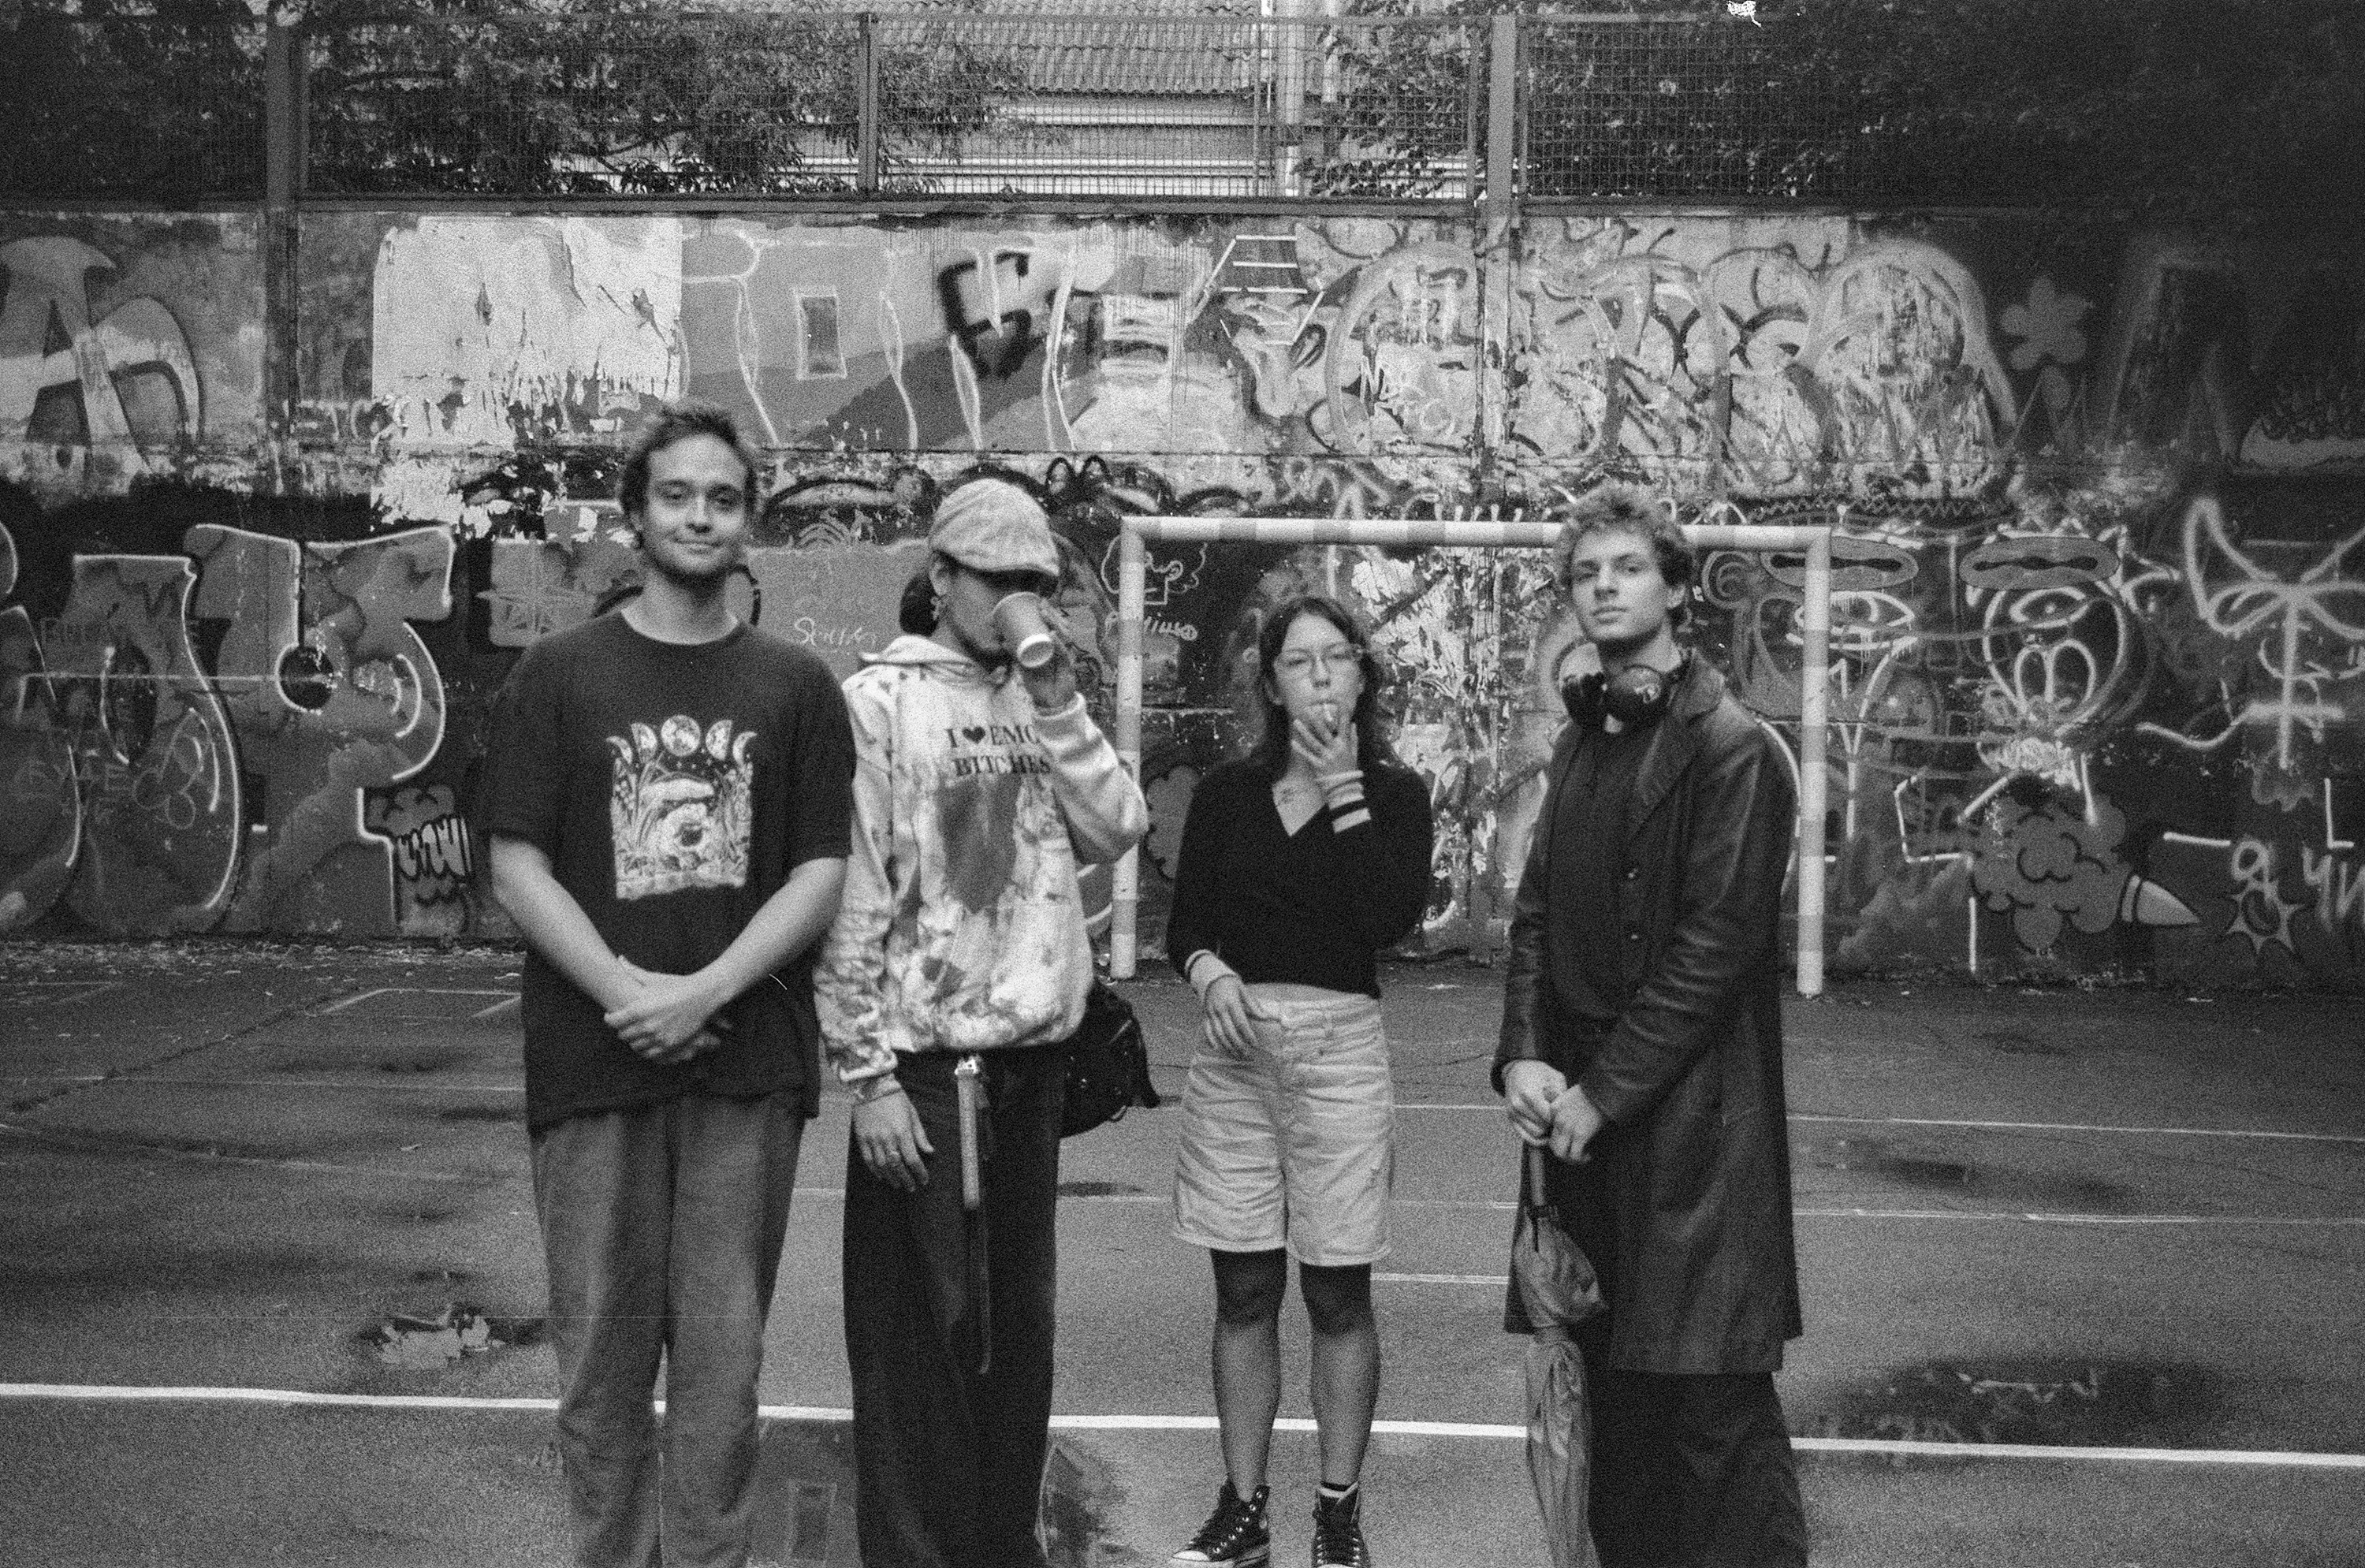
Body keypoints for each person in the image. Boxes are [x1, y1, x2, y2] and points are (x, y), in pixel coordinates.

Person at [479, 400, 856, 1568]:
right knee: (600, 1369)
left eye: (724, 498)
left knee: (722, 1377)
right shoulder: (558, 675)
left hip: (744, 1067)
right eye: (678, 495)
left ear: (750, 521)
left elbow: (819, 870)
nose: (701, 516)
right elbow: (516, 864)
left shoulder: (797, 685)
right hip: (594, 1065)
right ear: (635, 514)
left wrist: (709, 991)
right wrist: (628, 991)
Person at [814, 475, 1149, 1568]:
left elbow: (1119, 825)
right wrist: (866, 1076)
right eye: (996, 578)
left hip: (1029, 1067)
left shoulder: (1041, 702)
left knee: (1017, 1345)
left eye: (1033, 582)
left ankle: (1004, 1548)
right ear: (943, 575)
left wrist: (1056, 698)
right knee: (917, 1353)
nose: (1016, 600)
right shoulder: (880, 702)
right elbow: (855, 897)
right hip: (922, 1071)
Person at [1495, 484, 1806, 1568]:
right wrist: (1525, 1055)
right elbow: (1537, 912)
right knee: (1614, 1409)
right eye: (1586, 573)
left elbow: (1717, 948)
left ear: (1676, 589)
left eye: (1628, 567)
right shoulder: (1587, 738)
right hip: (1586, 1125)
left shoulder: (1733, 747)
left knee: (1712, 1412)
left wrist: (1604, 1091)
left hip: (1692, 1131)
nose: (1604, 587)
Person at [1164, 594, 1436, 1568]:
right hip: (1235, 1060)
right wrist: (1211, 974)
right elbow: (1186, 927)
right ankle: (1243, 1510)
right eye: (1297, 662)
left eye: (1335, 659)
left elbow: (1385, 917)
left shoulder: (1396, 795)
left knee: (1336, 1293)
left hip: (1339, 1054)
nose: (1319, 676)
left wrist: (1344, 788)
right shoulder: (1228, 794)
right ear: (1272, 686)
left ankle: (1337, 1510)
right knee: (1243, 1290)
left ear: (1362, 676)